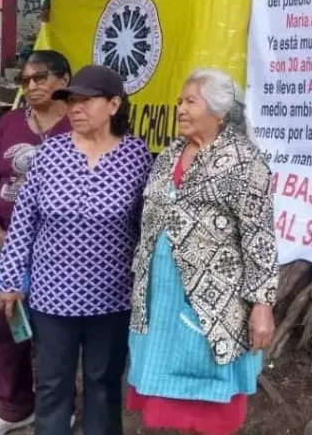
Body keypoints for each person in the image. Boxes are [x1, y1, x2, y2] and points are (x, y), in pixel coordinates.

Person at [0, 65, 153, 435]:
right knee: (52, 383)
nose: (75, 109)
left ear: (114, 104)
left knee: (103, 383)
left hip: (113, 297)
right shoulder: (50, 153)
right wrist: (11, 276)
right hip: (52, 297)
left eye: (85, 101)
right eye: (71, 101)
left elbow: (146, 229)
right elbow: (24, 221)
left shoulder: (137, 157)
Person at [126, 68, 278, 435]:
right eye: (179, 101)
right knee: (169, 392)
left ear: (220, 111)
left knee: (208, 393)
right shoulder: (169, 155)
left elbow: (260, 236)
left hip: (213, 298)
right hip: (161, 296)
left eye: (190, 101)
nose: (180, 108)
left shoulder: (244, 161)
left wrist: (262, 304)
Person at [0, 51, 73, 435]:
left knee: (52, 338)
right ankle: (14, 408)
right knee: (4, 329)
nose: (31, 86)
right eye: (26, 81)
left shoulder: (77, 127)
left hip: (55, 254)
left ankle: (58, 410)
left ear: (65, 80)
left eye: (40, 78)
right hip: (2, 247)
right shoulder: (10, 122)